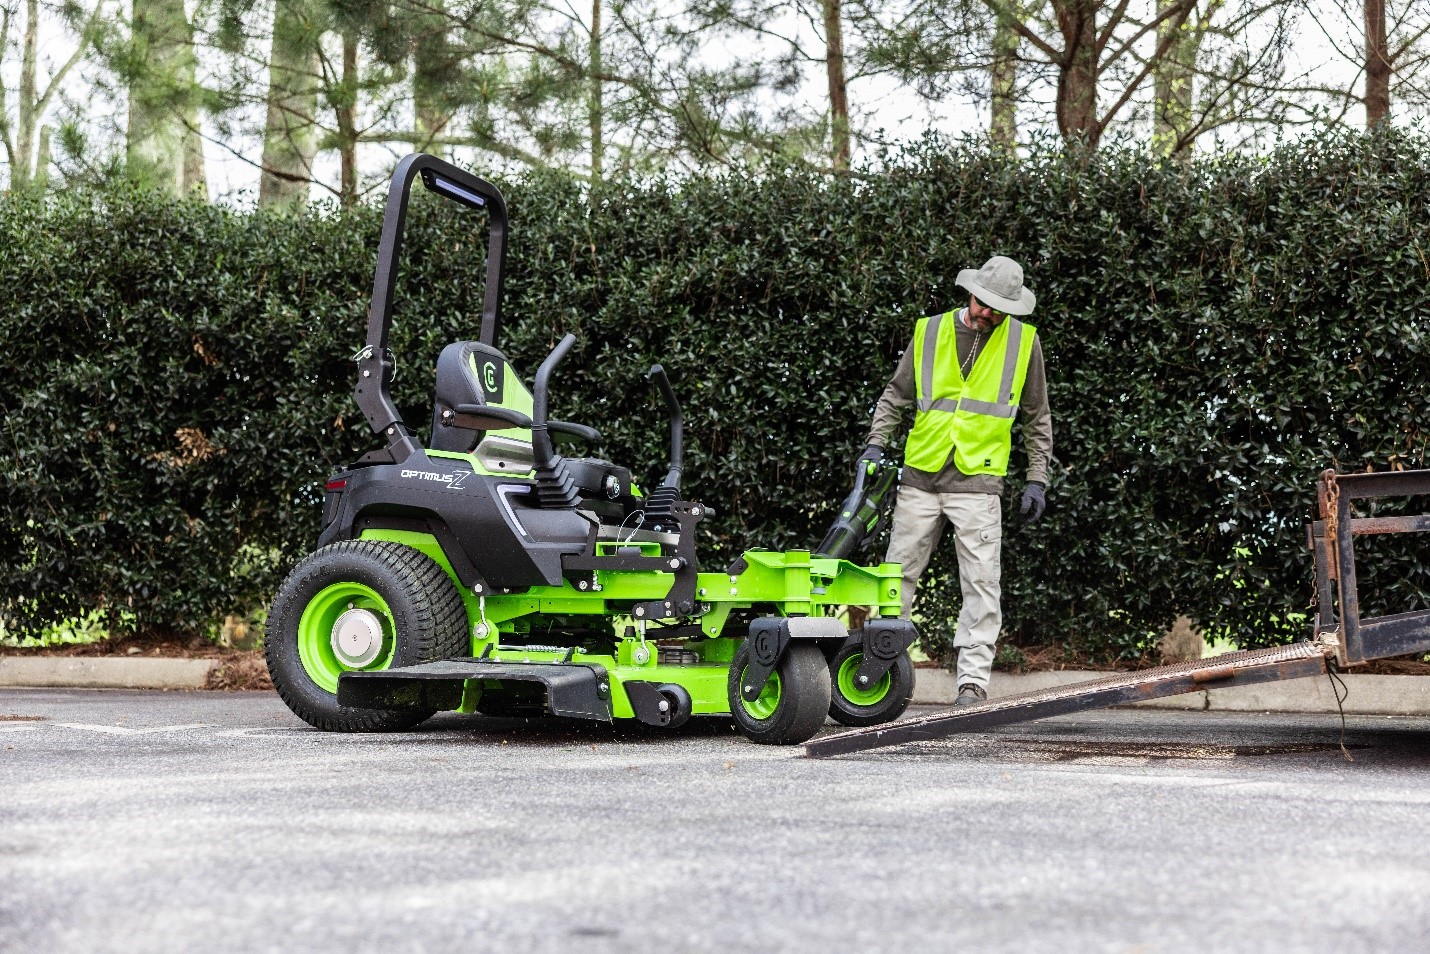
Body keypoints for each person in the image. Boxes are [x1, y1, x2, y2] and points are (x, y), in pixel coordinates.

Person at [860, 255, 1053, 707]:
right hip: (921, 476)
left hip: (979, 480)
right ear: (971, 294)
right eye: (985, 305)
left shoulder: (1025, 342)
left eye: (1000, 309)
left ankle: (972, 683)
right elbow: (897, 392)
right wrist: (875, 442)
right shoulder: (928, 331)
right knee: (897, 577)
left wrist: (1036, 479)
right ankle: (881, 673)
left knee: (982, 584)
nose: (989, 314)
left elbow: (1036, 416)